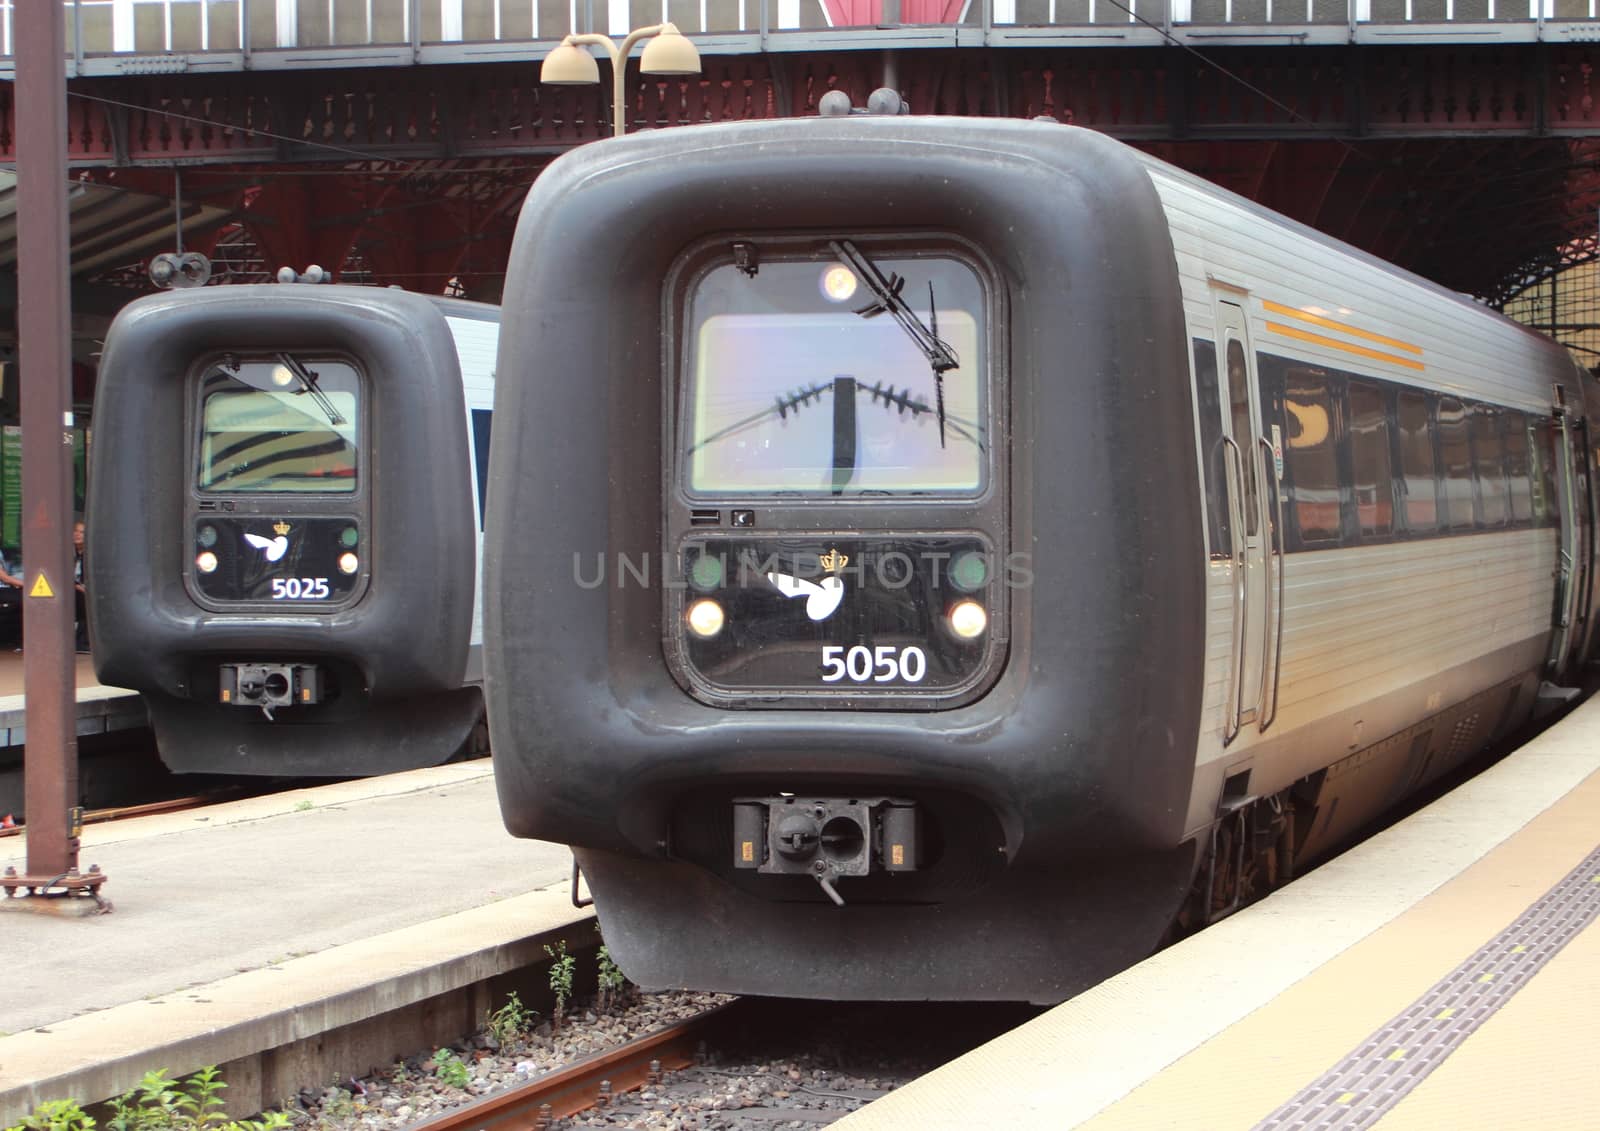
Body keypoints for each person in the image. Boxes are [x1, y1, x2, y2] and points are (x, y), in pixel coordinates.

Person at [0, 546, 21, 651]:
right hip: (2, 589)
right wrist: (28, 585)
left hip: (6, 588)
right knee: (24, 599)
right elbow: (4, 578)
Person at [73, 518, 88, 653]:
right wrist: (79, 587)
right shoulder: (67, 553)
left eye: (81, 532)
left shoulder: (88, 554)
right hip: (72, 591)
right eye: (75, 531)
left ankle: (83, 641)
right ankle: (80, 642)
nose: (77, 534)